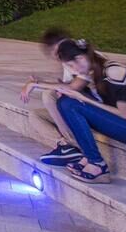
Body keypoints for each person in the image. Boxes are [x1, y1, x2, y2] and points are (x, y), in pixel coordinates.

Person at [47, 39, 126, 183]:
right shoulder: (94, 71)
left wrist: (85, 99)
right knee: (65, 101)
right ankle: (89, 156)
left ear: (84, 56)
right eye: (70, 66)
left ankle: (97, 165)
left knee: (70, 104)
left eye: (74, 63)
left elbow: (125, 114)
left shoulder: (114, 72)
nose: (74, 69)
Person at [20, 27, 96, 166]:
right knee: (36, 115)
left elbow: (73, 87)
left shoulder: (82, 58)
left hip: (97, 109)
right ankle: (65, 146)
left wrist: (37, 84)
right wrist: (40, 82)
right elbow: (66, 85)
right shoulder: (68, 59)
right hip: (80, 107)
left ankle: (74, 144)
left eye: (56, 51)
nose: (56, 56)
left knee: (49, 95)